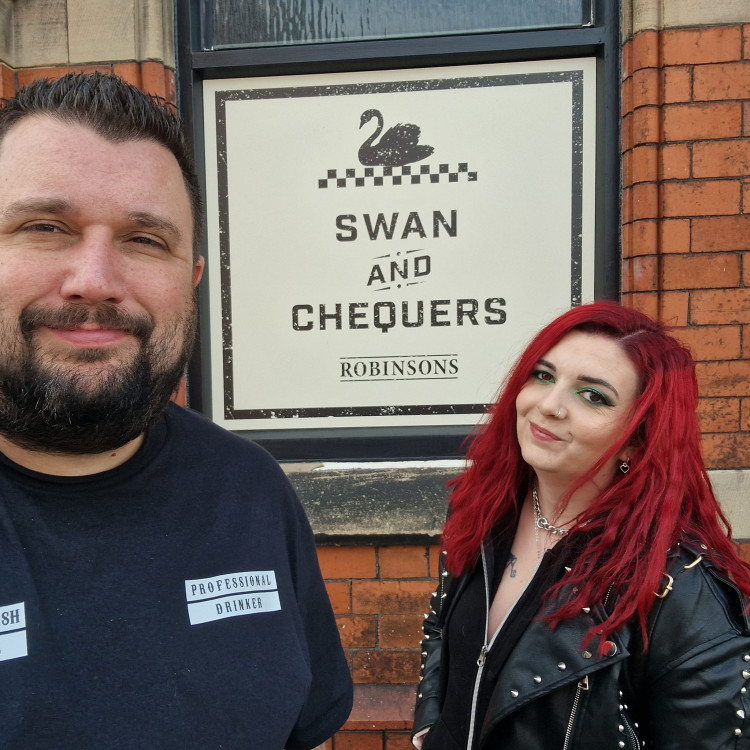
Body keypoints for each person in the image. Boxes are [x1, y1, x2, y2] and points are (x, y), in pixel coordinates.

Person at [0, 72, 352, 748]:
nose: (95, 281)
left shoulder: (249, 490)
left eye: (144, 239)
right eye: (45, 227)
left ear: (190, 282)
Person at [412, 301, 750, 749]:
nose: (549, 405)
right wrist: (431, 724)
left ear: (636, 440)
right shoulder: (484, 510)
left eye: (593, 396)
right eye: (544, 376)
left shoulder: (682, 591)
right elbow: (440, 622)